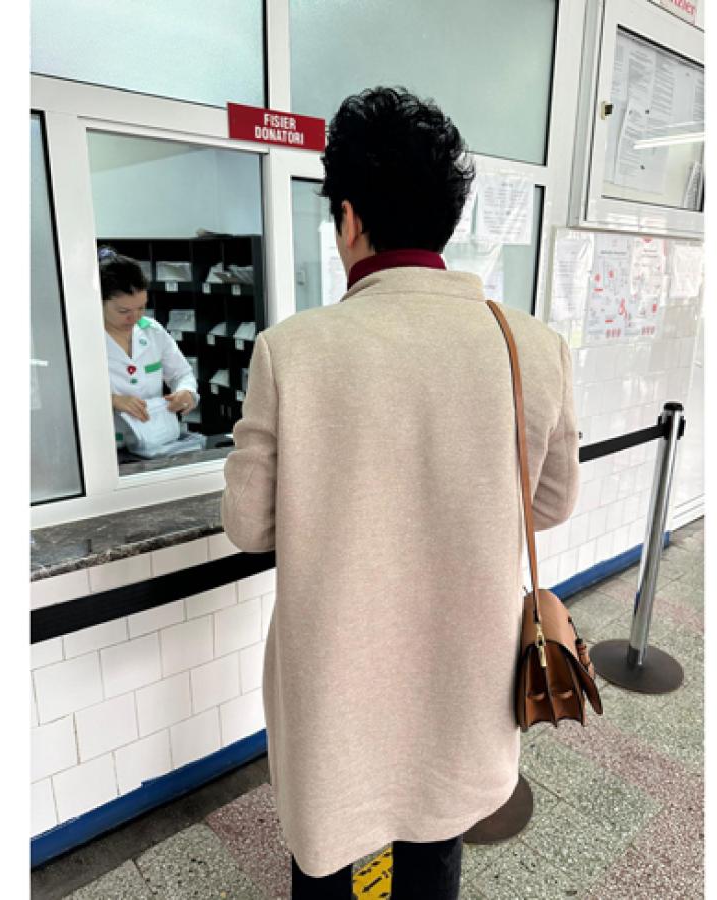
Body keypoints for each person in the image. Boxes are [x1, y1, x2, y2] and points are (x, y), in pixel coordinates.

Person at [220, 87, 580, 899]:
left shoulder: (291, 351)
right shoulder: (533, 346)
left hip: (337, 672)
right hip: (461, 667)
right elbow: (552, 503)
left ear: (348, 218)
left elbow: (248, 524)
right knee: (433, 849)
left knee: (327, 859)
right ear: (446, 219)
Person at [98, 247, 199, 451]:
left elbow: (182, 373)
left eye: (141, 307)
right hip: (105, 446)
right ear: (98, 301)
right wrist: (112, 400)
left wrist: (186, 392)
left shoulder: (152, 331)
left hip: (154, 441)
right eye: (123, 311)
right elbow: (68, 395)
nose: (134, 317)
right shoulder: (83, 340)